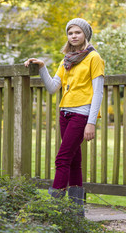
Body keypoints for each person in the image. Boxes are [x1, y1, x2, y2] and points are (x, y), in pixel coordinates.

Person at [24, 18, 104, 216]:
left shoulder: (94, 58)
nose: (74, 36)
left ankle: (53, 211)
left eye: (77, 32)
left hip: (82, 114)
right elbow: (53, 88)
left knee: (62, 159)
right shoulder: (67, 59)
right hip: (65, 113)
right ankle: (76, 213)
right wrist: (42, 67)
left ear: (85, 34)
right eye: (70, 33)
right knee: (74, 160)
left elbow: (98, 93)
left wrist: (91, 123)